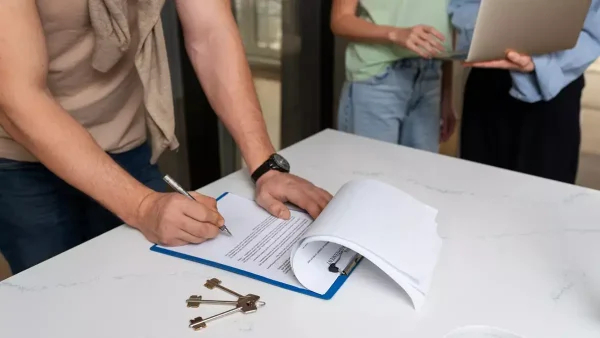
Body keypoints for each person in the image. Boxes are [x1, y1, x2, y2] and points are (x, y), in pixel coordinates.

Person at [0, 0, 332, 274]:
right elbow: (18, 96)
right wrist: (143, 205)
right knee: (57, 303)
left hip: (124, 140)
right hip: (20, 161)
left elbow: (210, 30)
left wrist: (265, 166)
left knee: (147, 285)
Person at [449, 0, 600, 184]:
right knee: (478, 193)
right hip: (489, 75)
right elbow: (462, 5)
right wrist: (495, 33)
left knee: (544, 200)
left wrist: (542, 62)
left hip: (555, 86)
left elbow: (595, 24)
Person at [331, 0, 457, 153]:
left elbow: (447, 25)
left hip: (431, 78)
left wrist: (447, 95)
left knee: (420, 174)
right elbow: (340, 20)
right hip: (378, 77)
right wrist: (395, 33)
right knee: (372, 172)